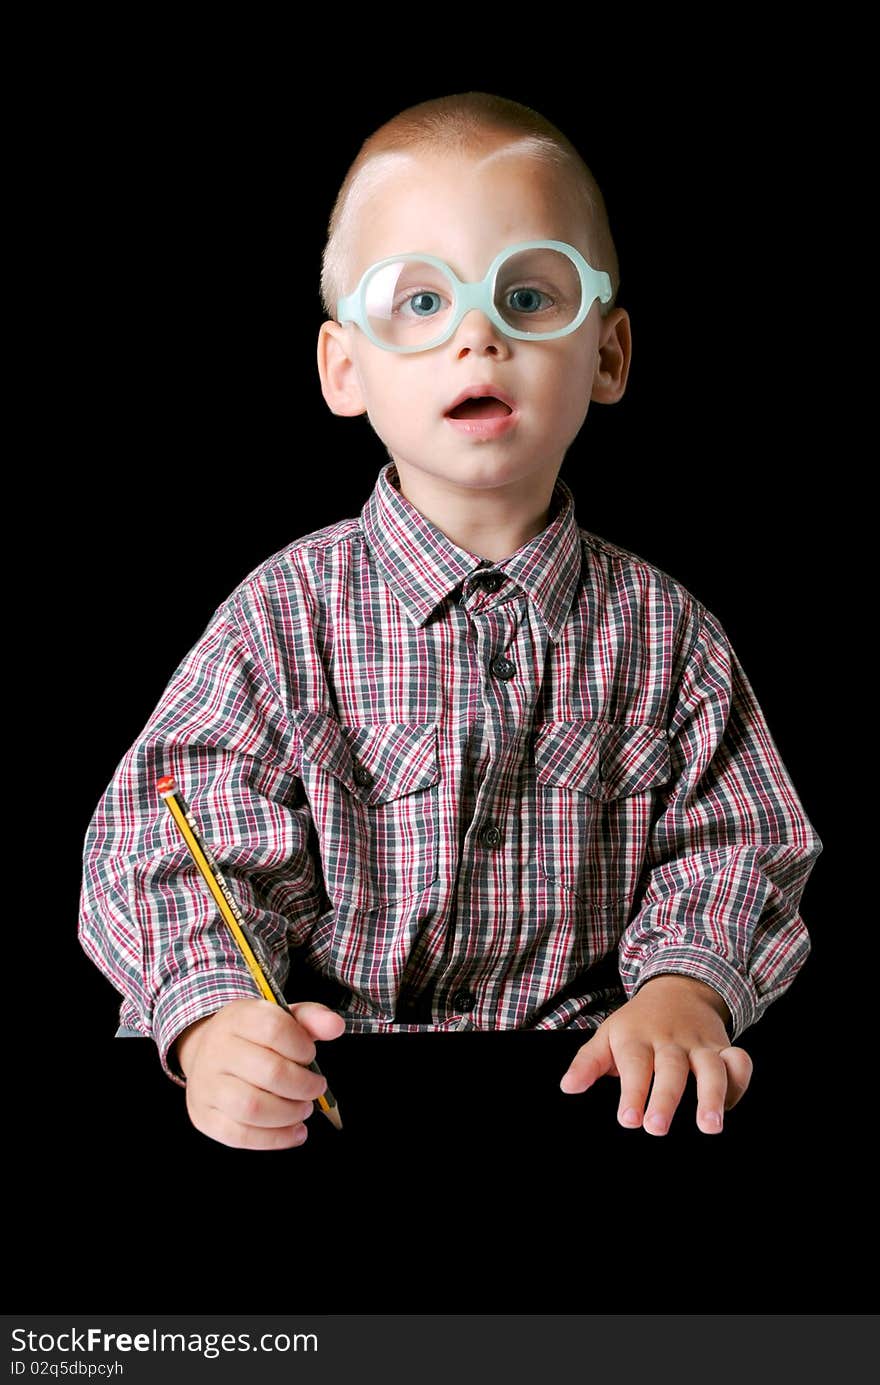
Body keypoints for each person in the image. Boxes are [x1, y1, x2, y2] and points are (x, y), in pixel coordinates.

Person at [79, 90, 822, 1152]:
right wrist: (210, 1017)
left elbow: (737, 845)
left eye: (527, 295)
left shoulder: (667, 634)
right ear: (345, 368)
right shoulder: (281, 615)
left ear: (607, 354)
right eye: (419, 302)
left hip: (581, 1094)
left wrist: (684, 991)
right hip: (320, 1092)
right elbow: (165, 839)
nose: (477, 334)